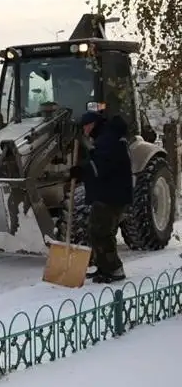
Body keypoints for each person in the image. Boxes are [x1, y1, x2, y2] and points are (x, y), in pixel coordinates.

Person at [69, 112, 133, 284]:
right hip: (111, 192)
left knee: (101, 232)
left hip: (111, 194)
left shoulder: (107, 139)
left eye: (85, 126)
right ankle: (104, 267)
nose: (84, 130)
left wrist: (81, 171)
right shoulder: (107, 137)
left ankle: (114, 269)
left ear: (93, 124)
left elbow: (101, 166)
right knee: (99, 231)